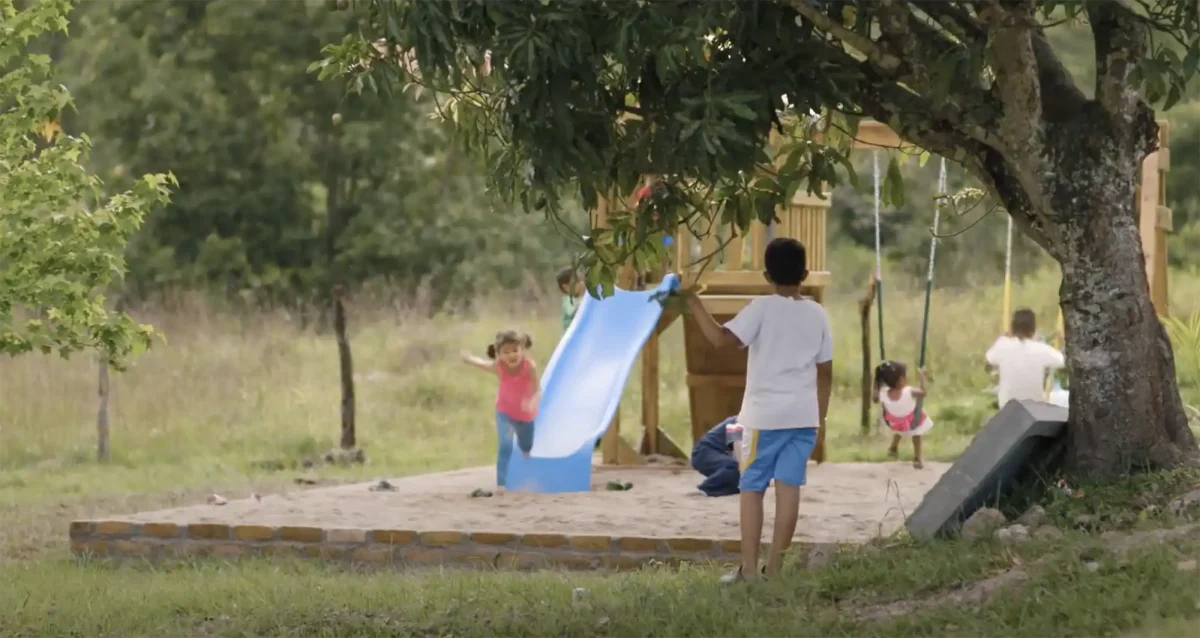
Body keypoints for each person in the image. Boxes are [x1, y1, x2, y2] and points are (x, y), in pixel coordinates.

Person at [685, 237, 832, 584]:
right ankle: (775, 570)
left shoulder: (762, 307)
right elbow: (825, 371)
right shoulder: (817, 313)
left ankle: (749, 571)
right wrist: (820, 418)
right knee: (789, 489)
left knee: (752, 489)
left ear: (767, 275)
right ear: (806, 274)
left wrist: (693, 301)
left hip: (762, 419)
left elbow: (722, 340)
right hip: (803, 418)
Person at [461, 330, 540, 493]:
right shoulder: (499, 366)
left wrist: (532, 402)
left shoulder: (529, 366)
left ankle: (526, 454)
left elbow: (538, 390)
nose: (511, 355)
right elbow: (482, 364)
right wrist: (469, 359)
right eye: (506, 352)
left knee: (527, 445)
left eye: (515, 350)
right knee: (505, 446)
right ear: (498, 354)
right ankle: (501, 485)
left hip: (525, 416)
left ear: (522, 349)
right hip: (505, 413)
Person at [984, 309, 1065, 408]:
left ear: (1012, 328)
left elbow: (988, 366)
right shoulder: (1041, 349)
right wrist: (1064, 339)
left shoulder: (1002, 344)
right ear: (1034, 330)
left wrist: (1003, 339)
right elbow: (1062, 361)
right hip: (1033, 411)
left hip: (1007, 409)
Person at [874, 360, 933, 469]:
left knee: (901, 425)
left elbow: (875, 398)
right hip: (911, 422)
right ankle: (917, 458)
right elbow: (924, 392)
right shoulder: (909, 391)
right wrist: (922, 377)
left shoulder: (882, 392)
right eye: (904, 376)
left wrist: (876, 382)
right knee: (916, 431)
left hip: (894, 422)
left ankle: (893, 447)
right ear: (901, 379)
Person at [691, 416, 745, 497]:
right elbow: (737, 446)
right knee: (735, 466)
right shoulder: (738, 421)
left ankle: (713, 490)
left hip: (719, 453)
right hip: (703, 452)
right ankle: (704, 488)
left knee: (739, 484)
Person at [556, 266, 586, 332]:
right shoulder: (568, 300)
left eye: (581, 280)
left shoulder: (588, 294)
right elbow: (575, 314)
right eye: (577, 282)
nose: (581, 283)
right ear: (566, 287)